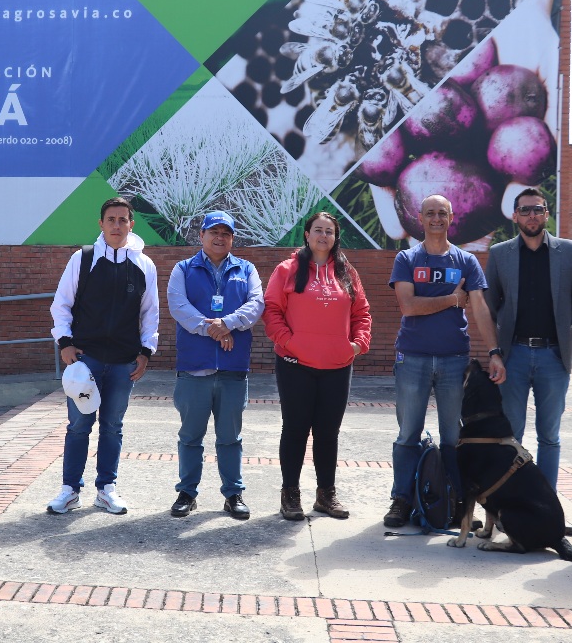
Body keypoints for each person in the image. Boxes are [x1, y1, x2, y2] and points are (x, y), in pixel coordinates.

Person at [384, 194, 505, 528]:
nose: (436, 218)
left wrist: (494, 351)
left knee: (454, 436)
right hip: (413, 357)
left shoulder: (466, 261)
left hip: (454, 360)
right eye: (430, 213)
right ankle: (401, 500)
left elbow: (479, 307)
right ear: (419, 218)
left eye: (442, 213)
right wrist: (453, 298)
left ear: (451, 218)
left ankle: (455, 502)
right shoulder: (406, 258)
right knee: (408, 434)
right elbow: (408, 306)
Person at [484, 187, 572, 535]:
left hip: (553, 356)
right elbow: (491, 303)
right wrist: (500, 346)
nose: (532, 215)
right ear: (514, 216)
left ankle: (548, 511)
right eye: (525, 210)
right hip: (513, 355)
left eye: (538, 209)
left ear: (547, 214)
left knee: (550, 437)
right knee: (511, 437)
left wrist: (560, 332)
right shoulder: (499, 254)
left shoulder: (571, 252)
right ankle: (511, 508)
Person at [47, 197, 160, 515]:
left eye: (123, 220)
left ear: (131, 224)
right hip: (87, 360)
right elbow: (61, 304)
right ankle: (70, 489)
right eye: (111, 219)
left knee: (112, 426)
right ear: (101, 223)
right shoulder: (83, 259)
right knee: (79, 426)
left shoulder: (144, 264)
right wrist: (65, 343)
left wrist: (145, 351)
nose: (116, 225)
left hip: (124, 361)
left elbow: (150, 312)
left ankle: (106, 489)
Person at [263, 211, 372, 520]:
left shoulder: (347, 272)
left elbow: (361, 313)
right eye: (318, 230)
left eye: (329, 231)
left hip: (337, 365)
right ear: (307, 235)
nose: (324, 236)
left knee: (328, 432)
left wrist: (356, 344)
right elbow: (271, 310)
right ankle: (290, 494)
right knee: (295, 430)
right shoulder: (287, 270)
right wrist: (288, 342)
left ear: (335, 238)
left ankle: (326, 495)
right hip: (295, 363)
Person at [167, 211, 264, 520]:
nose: (219, 237)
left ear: (232, 238)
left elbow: (256, 305)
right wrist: (213, 328)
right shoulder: (183, 269)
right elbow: (178, 306)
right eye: (214, 232)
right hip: (194, 367)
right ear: (202, 236)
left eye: (226, 233)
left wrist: (227, 323)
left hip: (234, 368)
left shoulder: (246, 270)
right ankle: (187, 493)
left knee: (230, 437)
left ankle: (233, 494)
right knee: (190, 436)